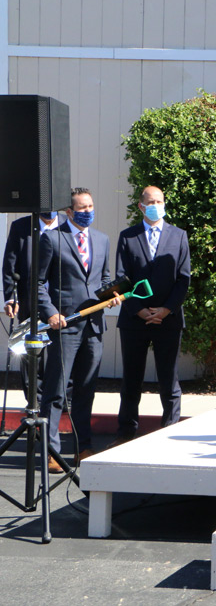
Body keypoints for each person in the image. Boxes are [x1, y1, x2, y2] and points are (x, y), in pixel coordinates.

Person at [37, 188, 120, 473]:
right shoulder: (52, 239)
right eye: (82, 207)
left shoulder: (102, 239)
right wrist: (50, 313)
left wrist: (113, 294)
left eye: (91, 206)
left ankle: (83, 447)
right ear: (69, 211)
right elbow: (37, 284)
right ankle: (51, 452)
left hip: (94, 325)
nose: (88, 211)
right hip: (66, 326)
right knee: (56, 391)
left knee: (86, 391)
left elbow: (104, 279)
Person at [113, 186, 190, 444]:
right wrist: (140, 309)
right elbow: (122, 280)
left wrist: (166, 309)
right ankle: (125, 433)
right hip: (135, 320)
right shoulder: (128, 236)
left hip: (168, 319)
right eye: (150, 201)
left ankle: (171, 431)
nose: (155, 205)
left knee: (169, 380)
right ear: (141, 206)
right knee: (131, 381)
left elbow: (183, 279)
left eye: (159, 201)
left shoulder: (179, 236)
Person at [3, 211, 64, 394]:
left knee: (61, 351)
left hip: (60, 300)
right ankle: (33, 397)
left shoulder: (68, 226)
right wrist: (11, 297)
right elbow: (10, 264)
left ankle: (60, 396)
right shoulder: (21, 227)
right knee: (31, 351)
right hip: (29, 299)